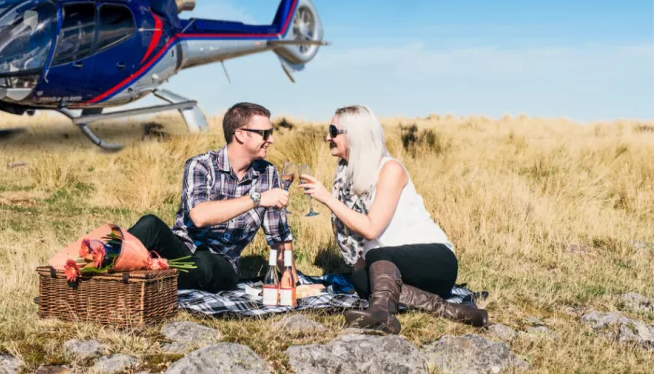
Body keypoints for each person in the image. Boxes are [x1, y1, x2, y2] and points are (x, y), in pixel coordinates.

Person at [298, 105, 487, 333]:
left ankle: (381, 313)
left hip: (433, 260)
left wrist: (326, 198)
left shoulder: (390, 169)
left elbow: (370, 230)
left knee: (379, 254)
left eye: (333, 130)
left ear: (355, 135)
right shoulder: (345, 174)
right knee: (361, 281)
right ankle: (454, 310)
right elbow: (352, 243)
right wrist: (360, 270)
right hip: (386, 265)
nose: (328, 136)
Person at [128, 102, 295, 293]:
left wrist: (292, 281)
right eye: (264, 134)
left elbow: (279, 236)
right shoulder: (200, 165)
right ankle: (99, 267)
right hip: (183, 249)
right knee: (150, 224)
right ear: (240, 134)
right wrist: (256, 199)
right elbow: (199, 216)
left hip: (221, 263)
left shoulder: (268, 173)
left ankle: (149, 273)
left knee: (205, 263)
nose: (271, 140)